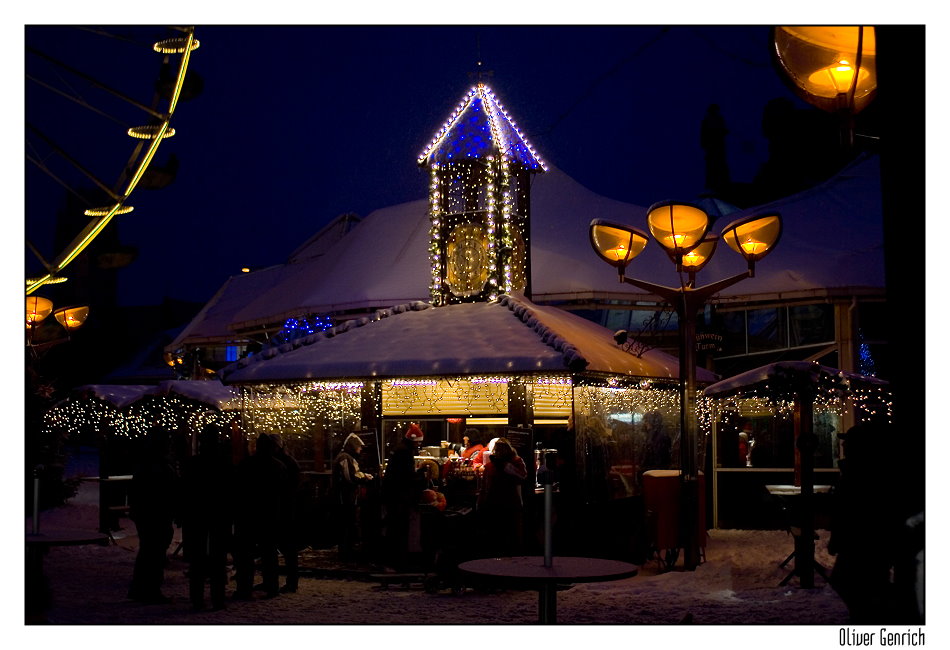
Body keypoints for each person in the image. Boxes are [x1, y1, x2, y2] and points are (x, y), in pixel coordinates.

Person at [181, 424, 234, 611]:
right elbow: (230, 491)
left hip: (198, 514)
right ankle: (217, 598)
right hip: (218, 514)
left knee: (198, 557)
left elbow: (185, 490)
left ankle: (197, 598)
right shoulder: (224, 462)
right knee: (217, 557)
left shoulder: (193, 464)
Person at [128, 426, 180, 604]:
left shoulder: (147, 464)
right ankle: (150, 589)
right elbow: (167, 490)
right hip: (156, 514)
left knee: (149, 551)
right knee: (154, 552)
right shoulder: (159, 466)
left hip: (148, 513)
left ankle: (141, 588)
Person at [233, 433, 288, 599]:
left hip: (249, 515)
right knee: (269, 553)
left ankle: (244, 588)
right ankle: (272, 587)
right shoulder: (278, 466)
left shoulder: (246, 465)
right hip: (269, 515)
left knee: (246, 555)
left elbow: (238, 491)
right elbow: (283, 493)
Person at [476, 437, 527, 557]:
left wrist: (480, 504)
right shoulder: (514, 462)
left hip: (503, 504)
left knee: (502, 537)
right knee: (507, 537)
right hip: (507, 504)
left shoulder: (493, 466)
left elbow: (485, 488)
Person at [381, 437, 426, 571]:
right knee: (399, 529)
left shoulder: (400, 450)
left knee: (394, 528)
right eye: (418, 442)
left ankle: (393, 561)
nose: (419, 444)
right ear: (413, 441)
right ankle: (398, 562)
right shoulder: (405, 453)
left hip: (394, 495)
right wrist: (420, 476)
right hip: (400, 497)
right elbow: (406, 477)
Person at [333, 432, 374, 562]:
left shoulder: (345, 457)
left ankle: (346, 550)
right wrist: (365, 477)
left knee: (347, 524)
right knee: (348, 523)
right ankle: (346, 551)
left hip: (346, 497)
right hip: (345, 498)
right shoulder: (345, 458)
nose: (360, 449)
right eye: (359, 447)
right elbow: (350, 477)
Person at [270, 433, 301, 593]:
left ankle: (286, 581)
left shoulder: (280, 463)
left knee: (284, 547)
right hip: (287, 508)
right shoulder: (288, 462)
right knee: (288, 547)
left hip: (282, 509)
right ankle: (289, 580)